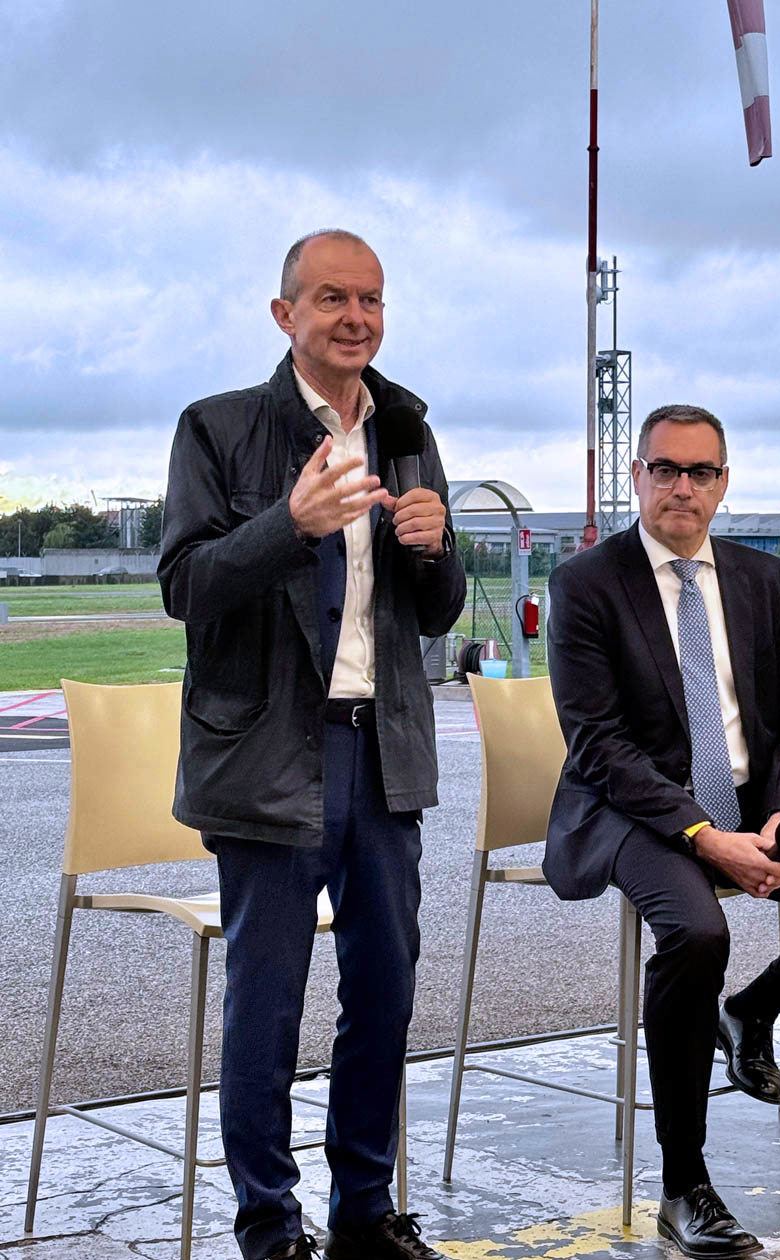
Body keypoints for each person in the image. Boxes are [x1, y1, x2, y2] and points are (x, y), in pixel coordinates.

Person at [543, 404, 780, 1259]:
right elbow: (598, 743)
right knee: (693, 930)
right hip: (630, 809)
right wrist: (699, 834)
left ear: (723, 483)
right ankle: (686, 1190)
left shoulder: (761, 578)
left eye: (701, 472)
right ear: (635, 476)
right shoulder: (586, 584)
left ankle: (751, 1012)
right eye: (664, 469)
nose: (682, 487)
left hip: (756, 798)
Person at [159, 229, 465, 1260]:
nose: (356, 319)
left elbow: (436, 615)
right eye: (332, 298)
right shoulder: (218, 429)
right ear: (284, 313)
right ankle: (267, 1226)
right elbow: (185, 589)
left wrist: (436, 550)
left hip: (383, 756)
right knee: (269, 1006)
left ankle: (366, 1212)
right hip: (269, 760)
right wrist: (286, 523)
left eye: (372, 300)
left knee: (384, 996)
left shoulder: (409, 427)